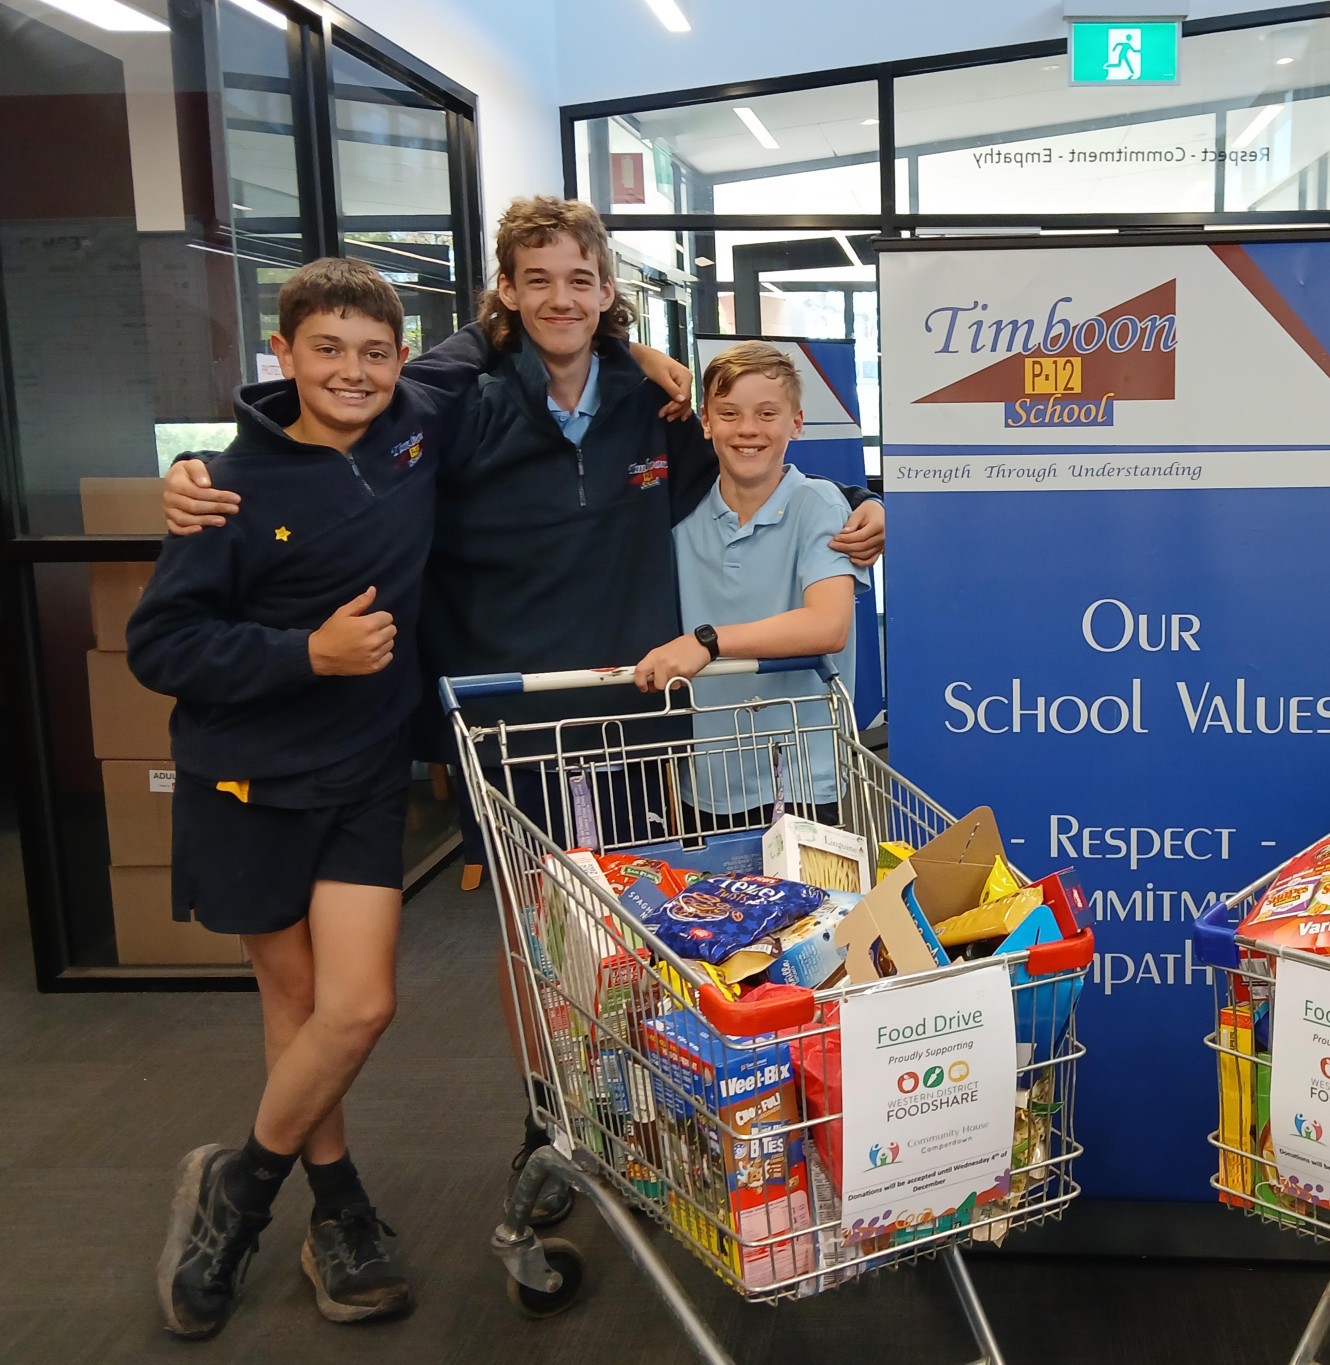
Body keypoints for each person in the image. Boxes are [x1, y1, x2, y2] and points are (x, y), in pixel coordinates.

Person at [159, 196, 884, 1227]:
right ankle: (545, 1121)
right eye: (535, 279)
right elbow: (336, 436)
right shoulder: (452, 403)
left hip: (637, 718)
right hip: (508, 723)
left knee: (641, 932)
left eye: (579, 281)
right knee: (534, 938)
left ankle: (635, 1115)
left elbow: (756, 463)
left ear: (607, 295)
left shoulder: (652, 405)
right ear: (504, 290)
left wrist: (867, 508)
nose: (558, 298)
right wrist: (201, 474)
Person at [133, 259, 486, 1337]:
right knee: (298, 1011)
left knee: (359, 1006)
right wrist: (307, 655)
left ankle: (234, 1191)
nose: (354, 371)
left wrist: (641, 348)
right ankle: (335, 1209)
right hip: (246, 782)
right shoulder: (226, 487)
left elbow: (497, 335)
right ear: (280, 356)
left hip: (365, 773)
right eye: (326, 349)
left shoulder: (415, 425)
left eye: (374, 352)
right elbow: (161, 645)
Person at [632, 340, 866, 830]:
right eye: (730, 413)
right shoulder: (682, 513)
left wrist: (708, 642)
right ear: (706, 422)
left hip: (803, 774)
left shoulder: (819, 504)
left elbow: (828, 625)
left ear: (796, 423)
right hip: (709, 775)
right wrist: (636, 353)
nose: (748, 430)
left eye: (767, 413)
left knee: (812, 907)